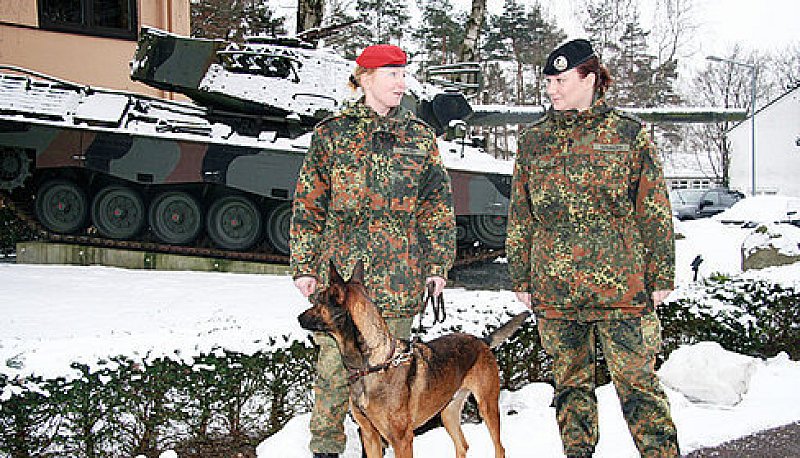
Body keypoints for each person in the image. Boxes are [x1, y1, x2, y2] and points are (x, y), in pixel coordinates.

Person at [506, 38, 680, 457]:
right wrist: (520, 276)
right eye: (548, 81)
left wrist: (661, 275)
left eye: (561, 80)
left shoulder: (627, 134)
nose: (552, 90)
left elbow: (653, 207)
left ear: (590, 78)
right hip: (556, 288)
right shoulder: (534, 141)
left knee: (639, 389)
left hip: (622, 287)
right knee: (570, 390)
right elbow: (521, 214)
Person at [289, 44, 456, 458]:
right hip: (342, 284)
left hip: (399, 279)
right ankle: (325, 449)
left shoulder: (419, 137)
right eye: (392, 74)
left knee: (392, 386)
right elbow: (310, 204)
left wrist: (437, 264)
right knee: (332, 376)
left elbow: (436, 204)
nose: (402, 83)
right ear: (365, 78)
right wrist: (304, 265)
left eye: (404, 74)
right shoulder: (332, 134)